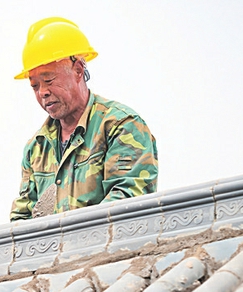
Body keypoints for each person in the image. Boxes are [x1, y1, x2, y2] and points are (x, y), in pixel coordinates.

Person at [10, 17, 158, 220]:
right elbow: (21, 219)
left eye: (49, 80)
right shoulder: (36, 148)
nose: (42, 92)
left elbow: (127, 204)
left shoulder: (121, 127)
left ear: (78, 70)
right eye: (35, 86)